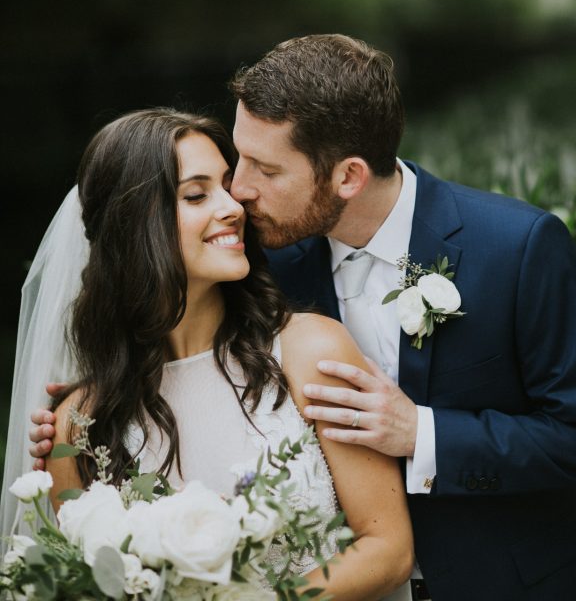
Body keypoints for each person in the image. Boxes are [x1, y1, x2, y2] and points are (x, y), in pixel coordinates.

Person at [27, 34, 576, 600]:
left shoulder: (518, 248)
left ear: (348, 176)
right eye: (239, 159)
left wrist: (422, 435)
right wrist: (96, 405)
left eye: (265, 170)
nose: (238, 191)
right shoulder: (263, 260)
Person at [4, 108, 414, 600]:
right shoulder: (80, 424)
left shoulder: (310, 351)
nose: (234, 205)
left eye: (226, 184)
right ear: (136, 227)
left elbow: (388, 549)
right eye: (197, 194)